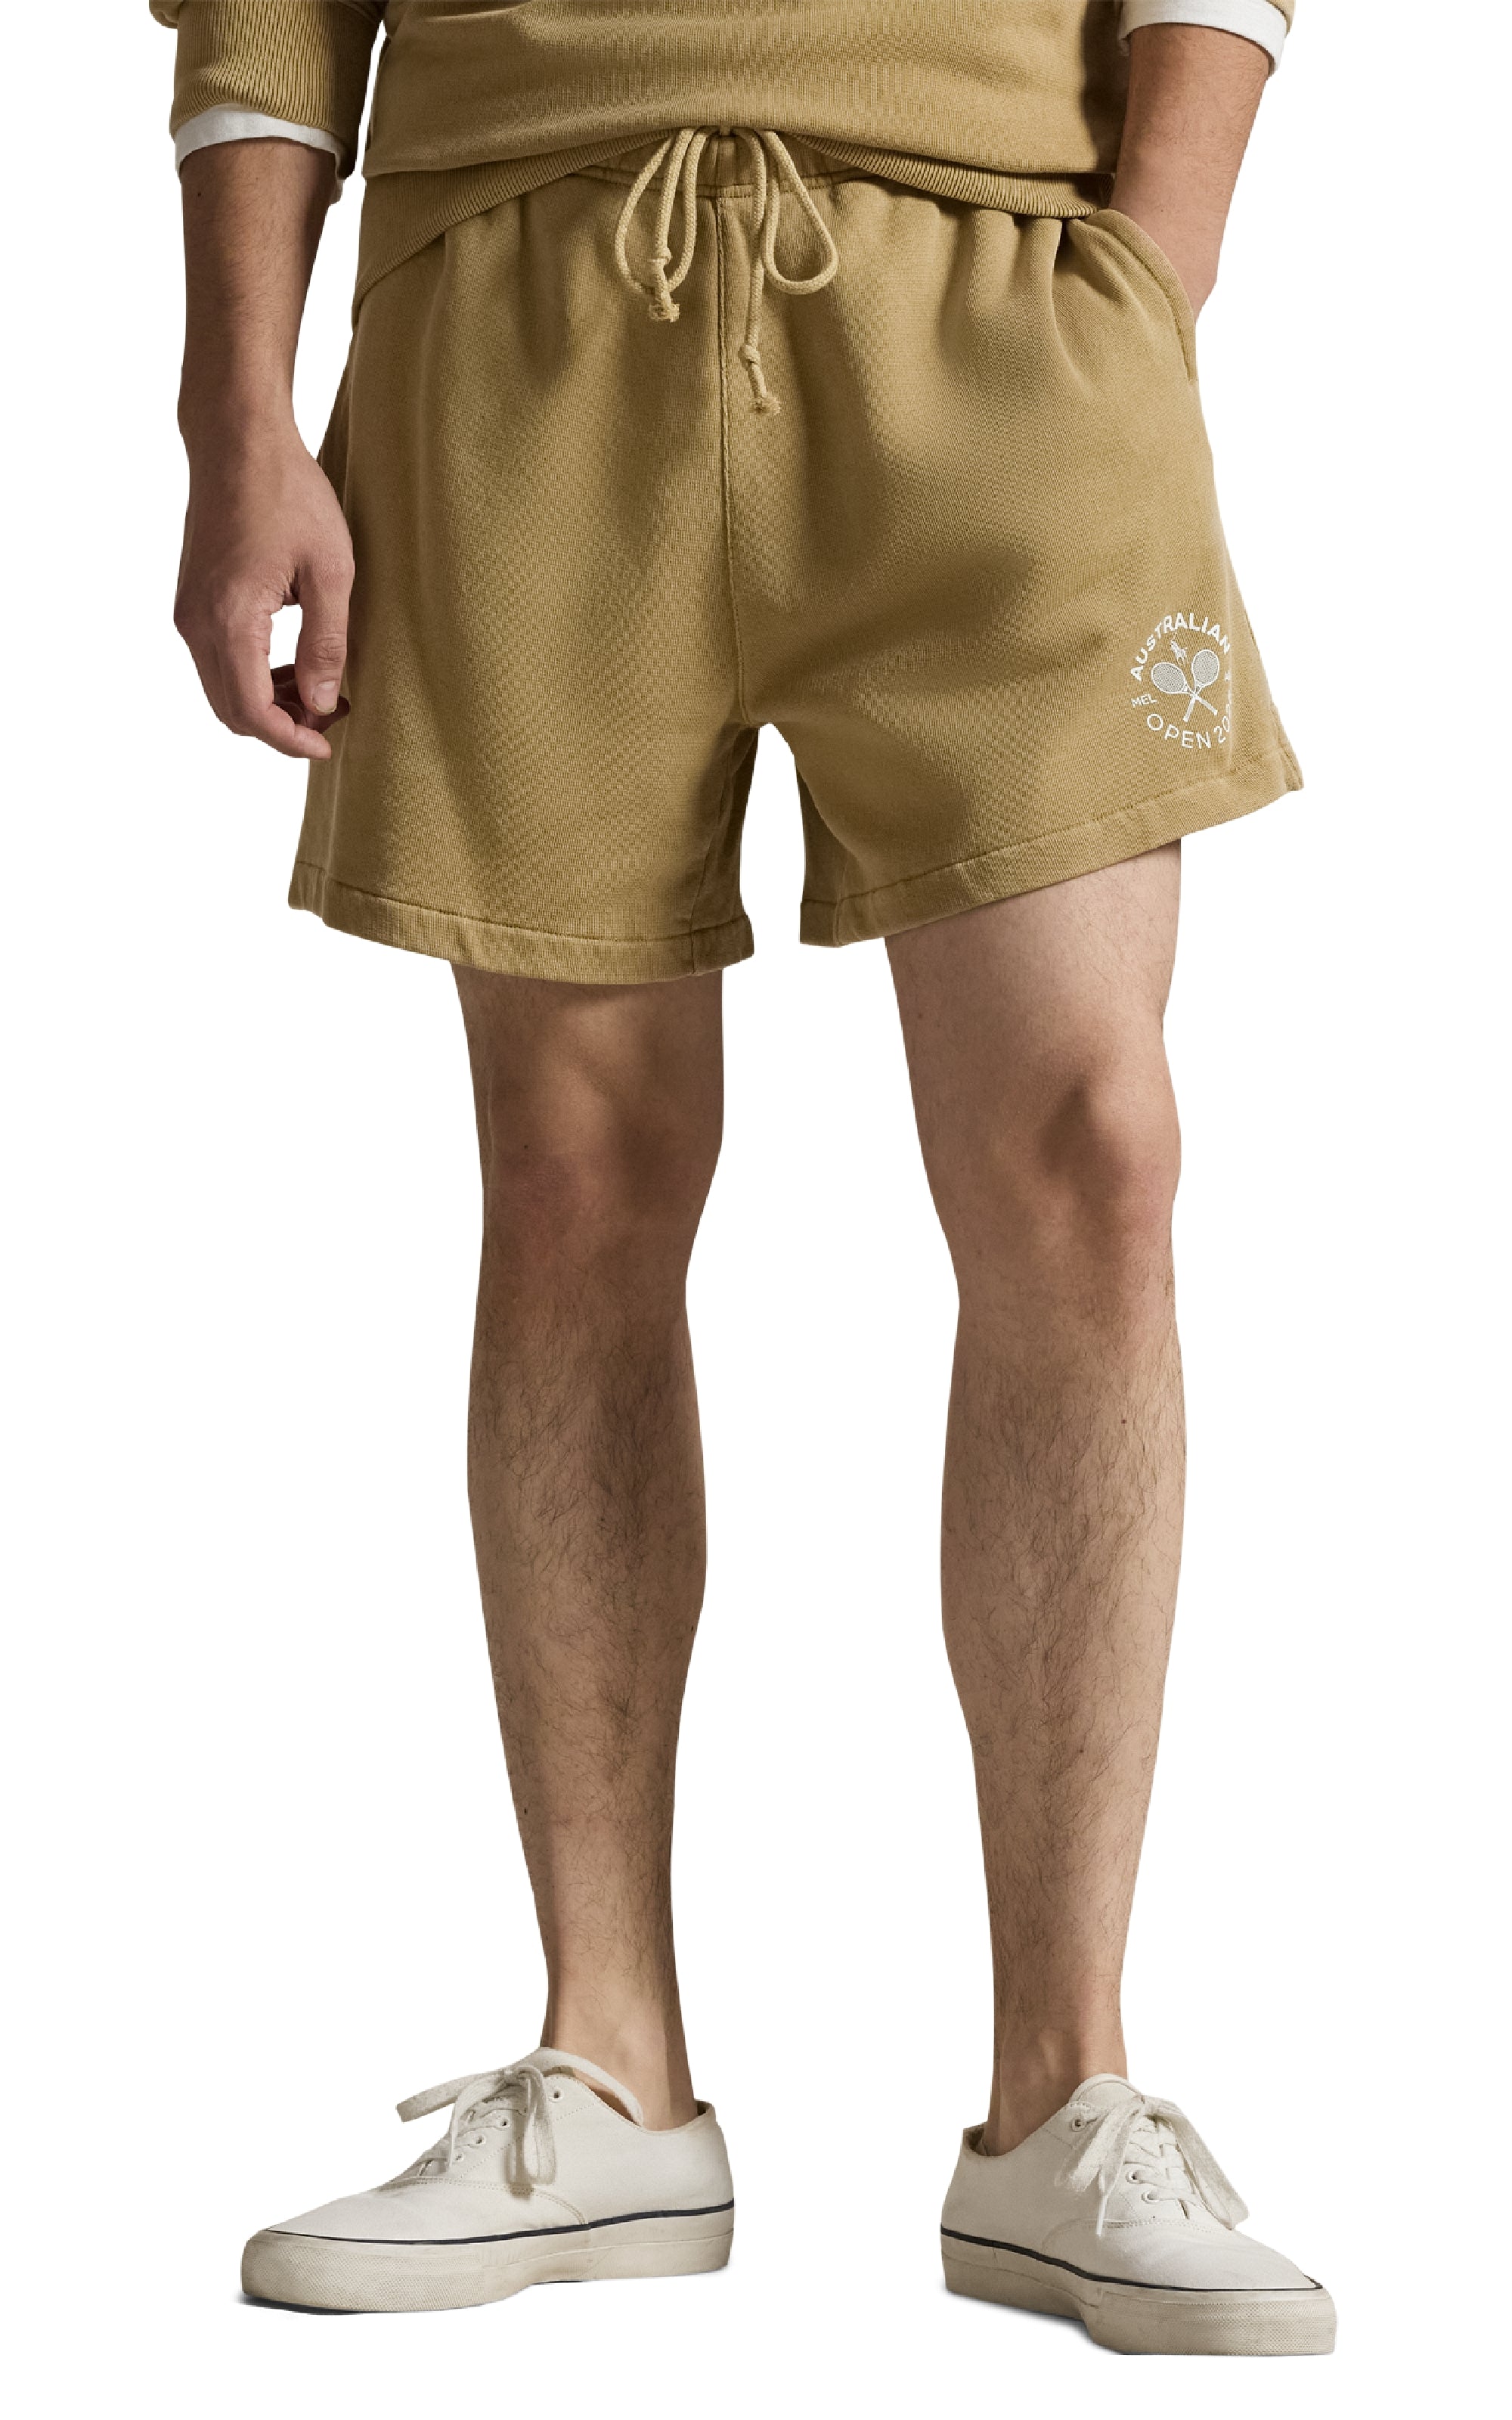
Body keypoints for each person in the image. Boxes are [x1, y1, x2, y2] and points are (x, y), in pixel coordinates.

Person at [155, 0, 1331, 2355]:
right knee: (574, 1180)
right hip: (519, 294)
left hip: (998, 283)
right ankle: (612, 2073)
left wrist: (1153, 270)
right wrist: (237, 412)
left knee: (1093, 1155)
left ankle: (1064, 2095)